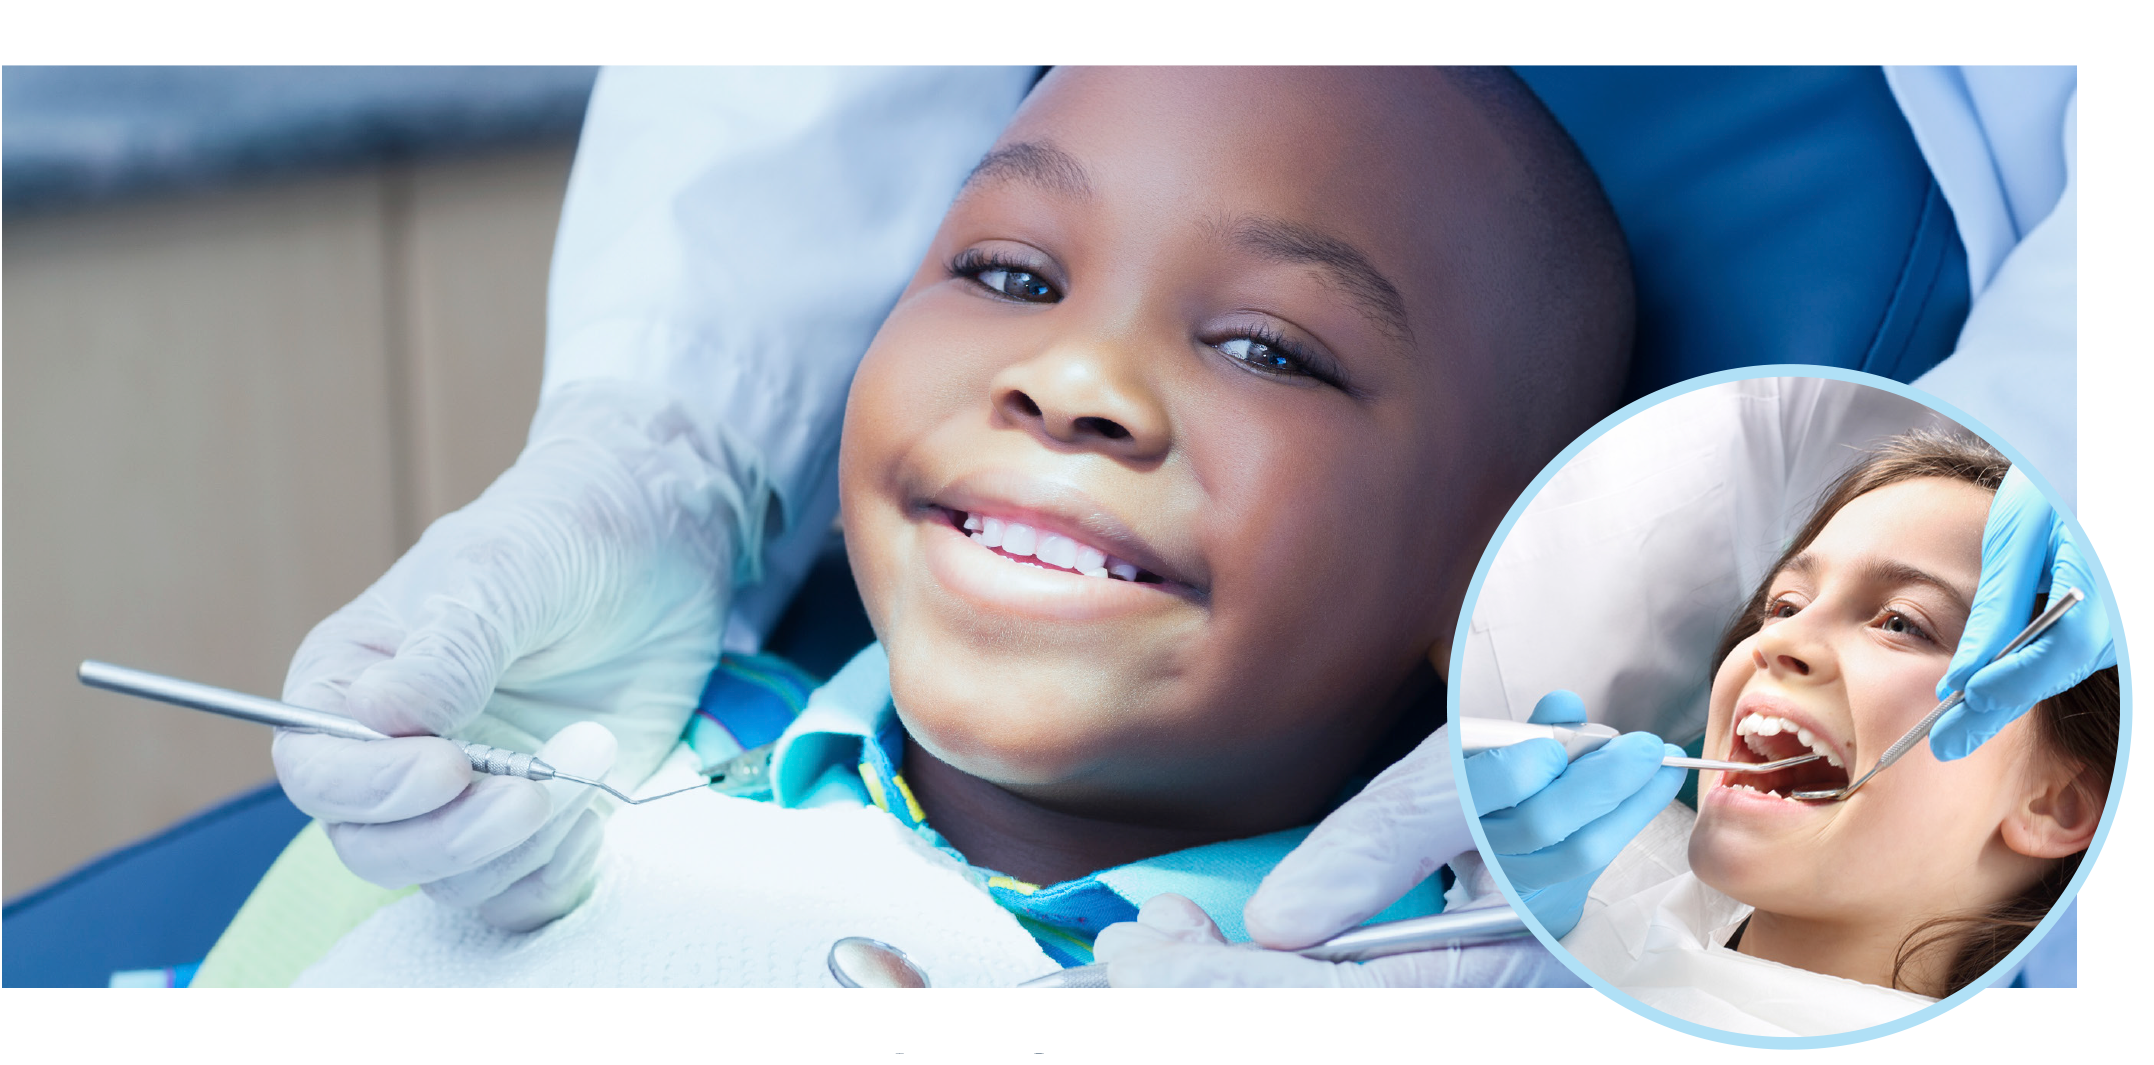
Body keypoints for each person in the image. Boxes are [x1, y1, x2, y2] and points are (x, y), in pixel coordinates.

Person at [268, 65, 2094, 987]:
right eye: (1000, 270)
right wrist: (663, 436)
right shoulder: (500, 816)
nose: (1074, 379)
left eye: (1263, 349)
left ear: (1494, 578)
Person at [1517, 431, 2115, 1035]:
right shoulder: (1569, 882)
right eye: (1784, 607)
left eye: (1903, 623)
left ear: (2055, 804)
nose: (1778, 641)